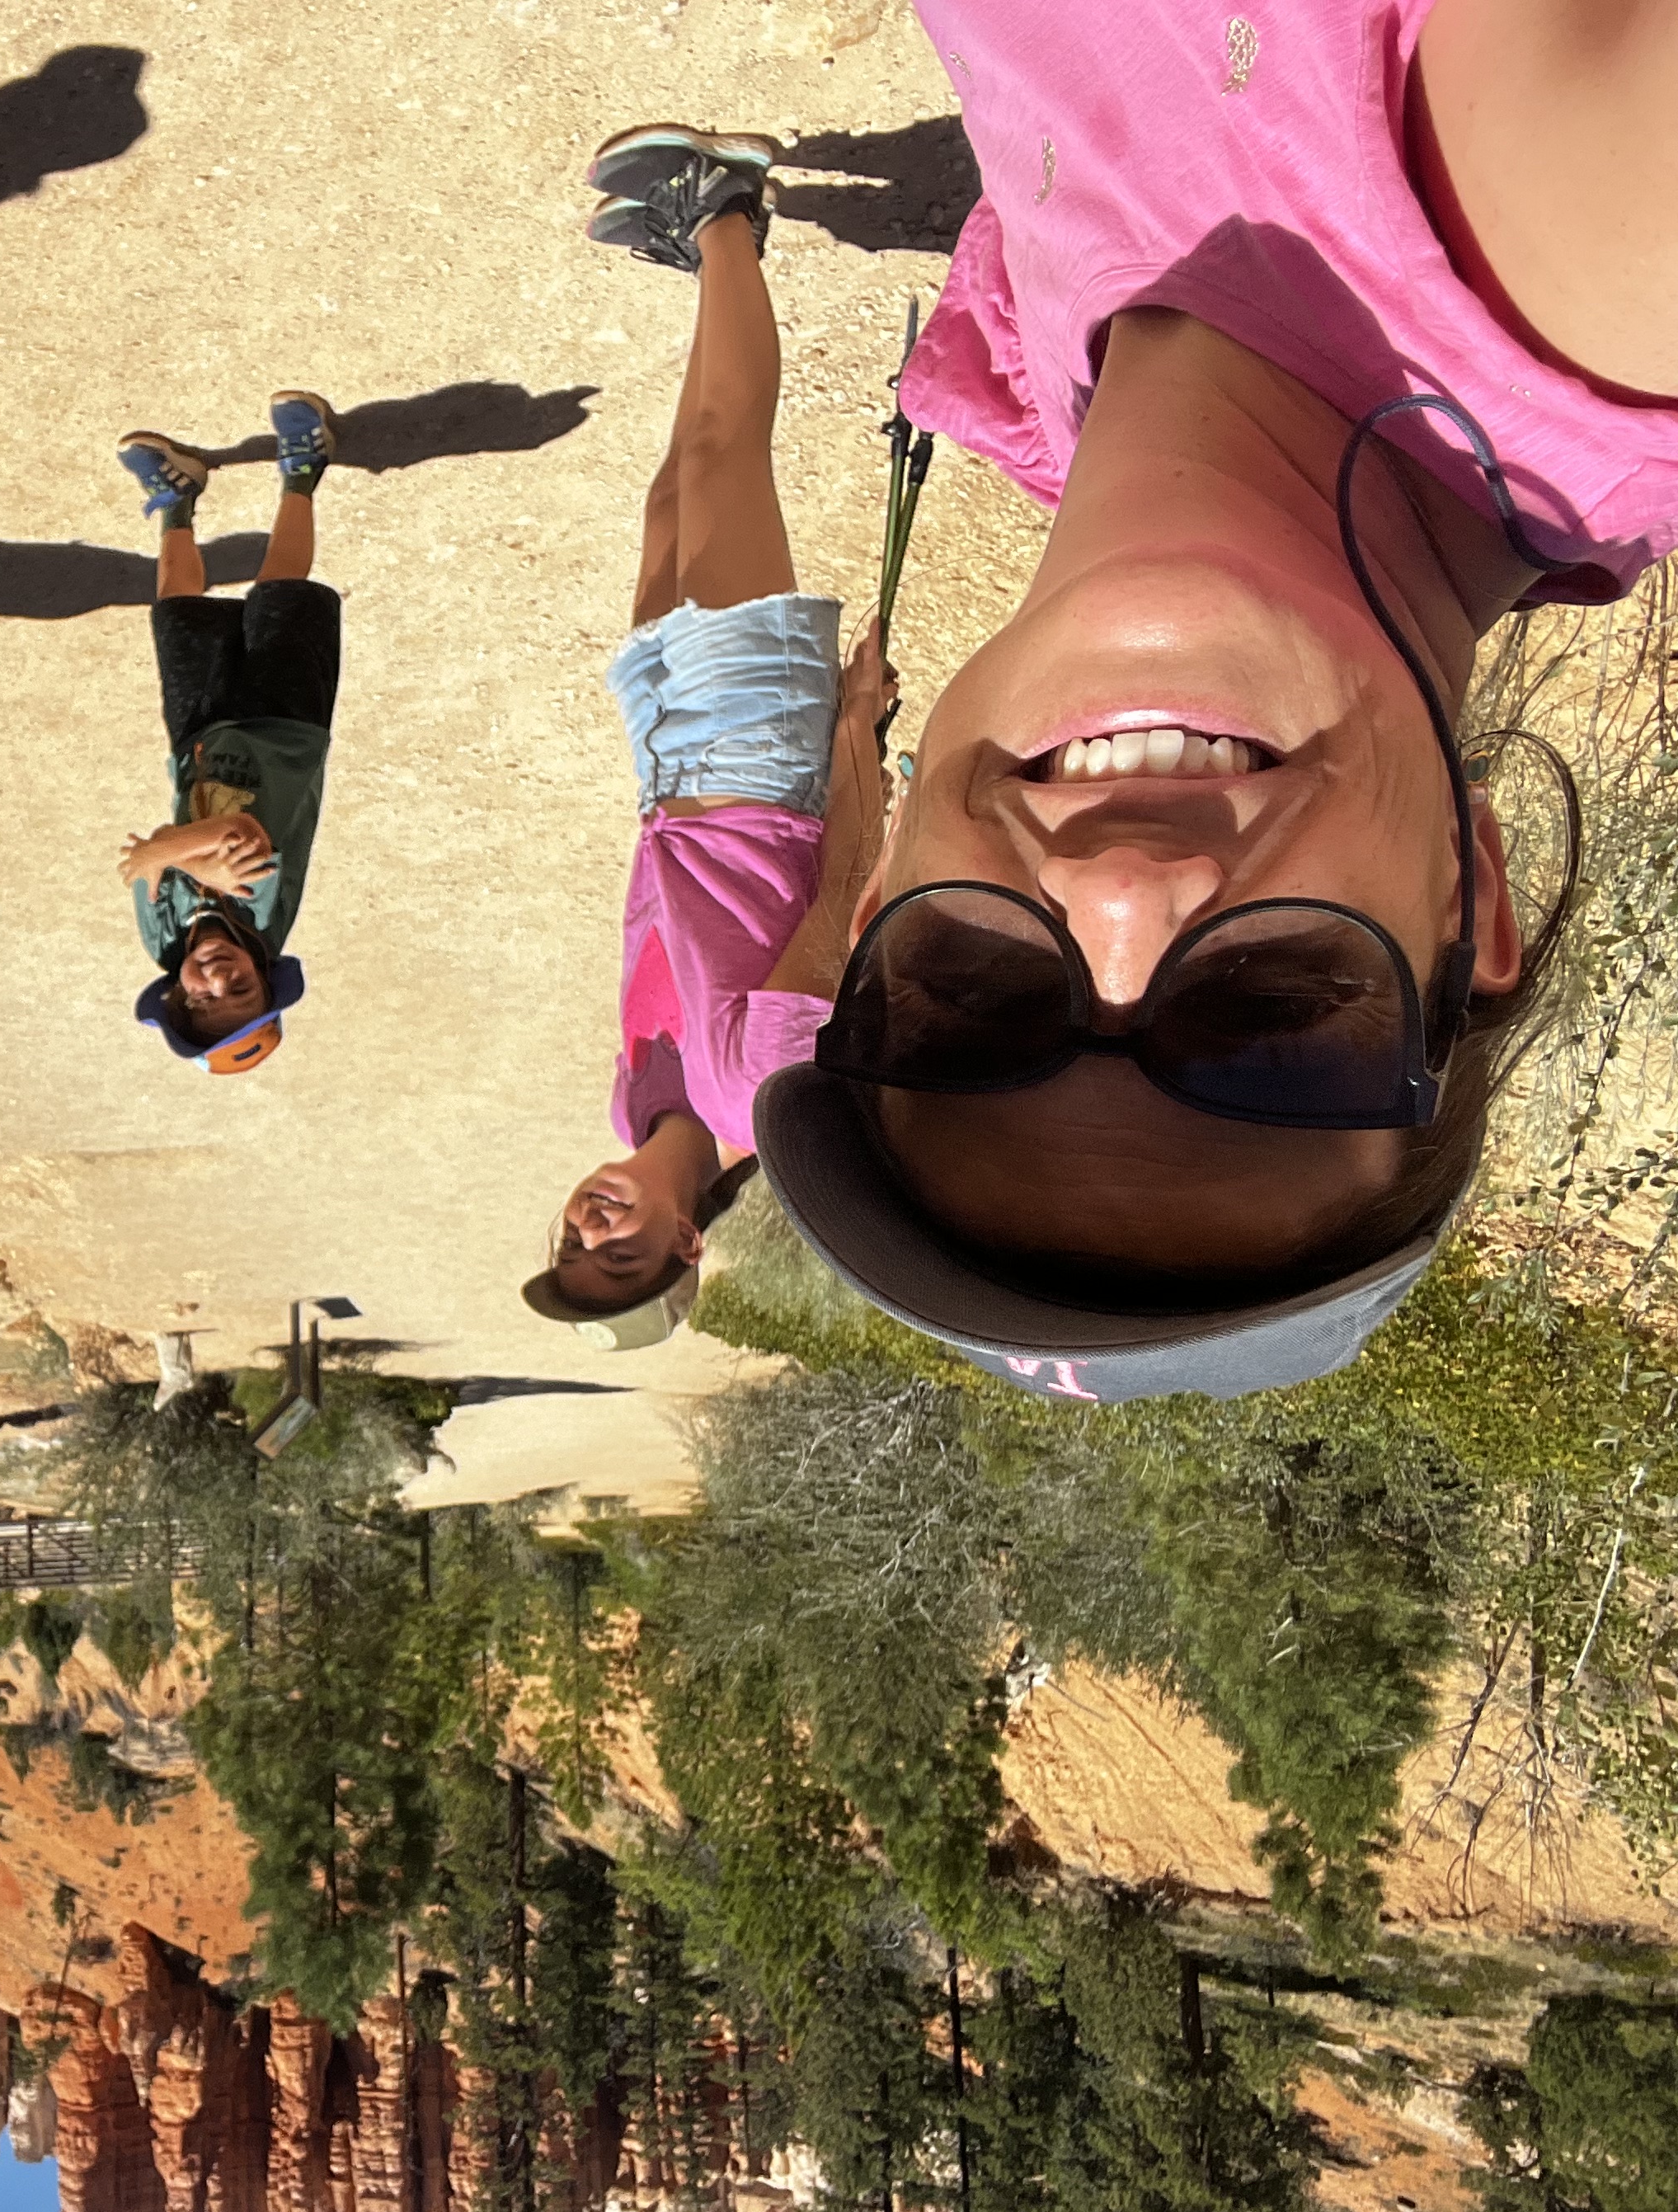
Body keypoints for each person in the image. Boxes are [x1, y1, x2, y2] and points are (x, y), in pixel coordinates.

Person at [754, 0, 1678, 1403]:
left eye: (978, 994)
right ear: (1470, 900)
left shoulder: (1071, 391)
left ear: (879, 888)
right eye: (1271, 1007)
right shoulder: (1591, 255)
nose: (1122, 890)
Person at [527, 131, 895, 1348]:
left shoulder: (634, 1101)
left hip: (670, 777)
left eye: (573, 1248)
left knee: (673, 497)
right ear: (690, 1244)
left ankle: (711, 255)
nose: (591, 1230)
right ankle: (726, 203)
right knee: (725, 453)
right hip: (758, 767)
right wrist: (856, 730)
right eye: (620, 1256)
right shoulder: (758, 1094)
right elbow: (838, 897)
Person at [114, 395, 345, 1076]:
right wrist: (180, 856)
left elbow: (141, 861)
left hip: (201, 743)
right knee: (279, 589)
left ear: (174, 993)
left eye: (201, 998)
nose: (216, 980)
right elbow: (220, 846)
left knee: (178, 613)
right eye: (241, 989)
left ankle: (177, 501)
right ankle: (303, 470)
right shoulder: (265, 917)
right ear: (264, 973)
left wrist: (172, 854)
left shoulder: (161, 941)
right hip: (287, 729)